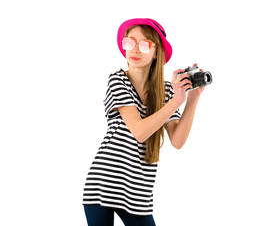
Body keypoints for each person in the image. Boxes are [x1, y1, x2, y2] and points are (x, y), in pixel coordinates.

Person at [82, 18, 205, 226]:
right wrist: (176, 101)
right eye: (130, 42)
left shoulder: (167, 91)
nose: (135, 50)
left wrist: (192, 98)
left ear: (156, 52)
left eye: (144, 44)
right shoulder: (117, 80)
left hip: (138, 192)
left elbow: (177, 140)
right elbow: (139, 131)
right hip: (102, 184)